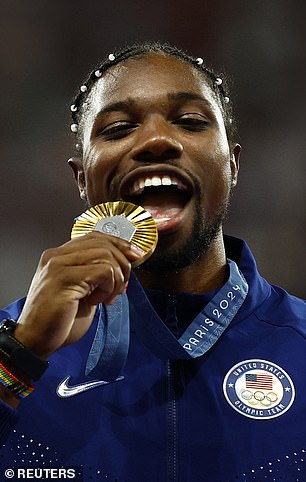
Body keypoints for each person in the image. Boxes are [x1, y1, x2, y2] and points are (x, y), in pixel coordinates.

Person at [0, 41, 305, 482]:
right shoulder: (14, 347)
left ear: (233, 165)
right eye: (119, 128)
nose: (157, 141)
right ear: (83, 179)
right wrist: (21, 353)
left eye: (189, 121)